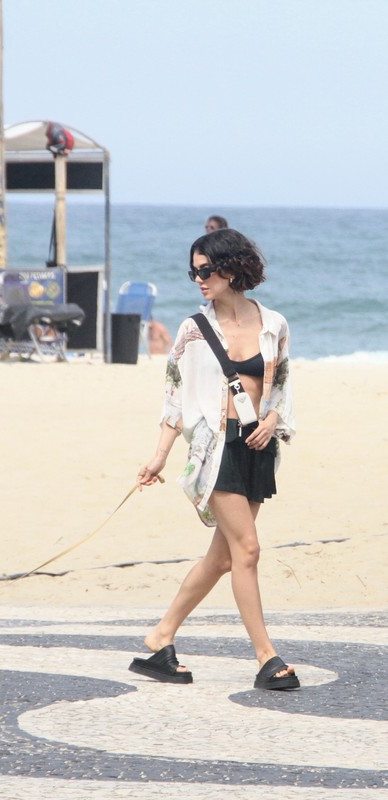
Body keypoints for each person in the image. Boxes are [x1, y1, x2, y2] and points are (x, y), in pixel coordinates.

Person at [129, 228, 299, 691]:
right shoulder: (192, 331)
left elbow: (281, 385)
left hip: (258, 449)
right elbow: (174, 400)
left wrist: (273, 420)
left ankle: (161, 635)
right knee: (247, 550)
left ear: (231, 267)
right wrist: (159, 457)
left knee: (222, 558)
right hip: (215, 450)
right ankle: (267, 657)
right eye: (193, 272)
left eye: (205, 270)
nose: (199, 279)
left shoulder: (274, 325)